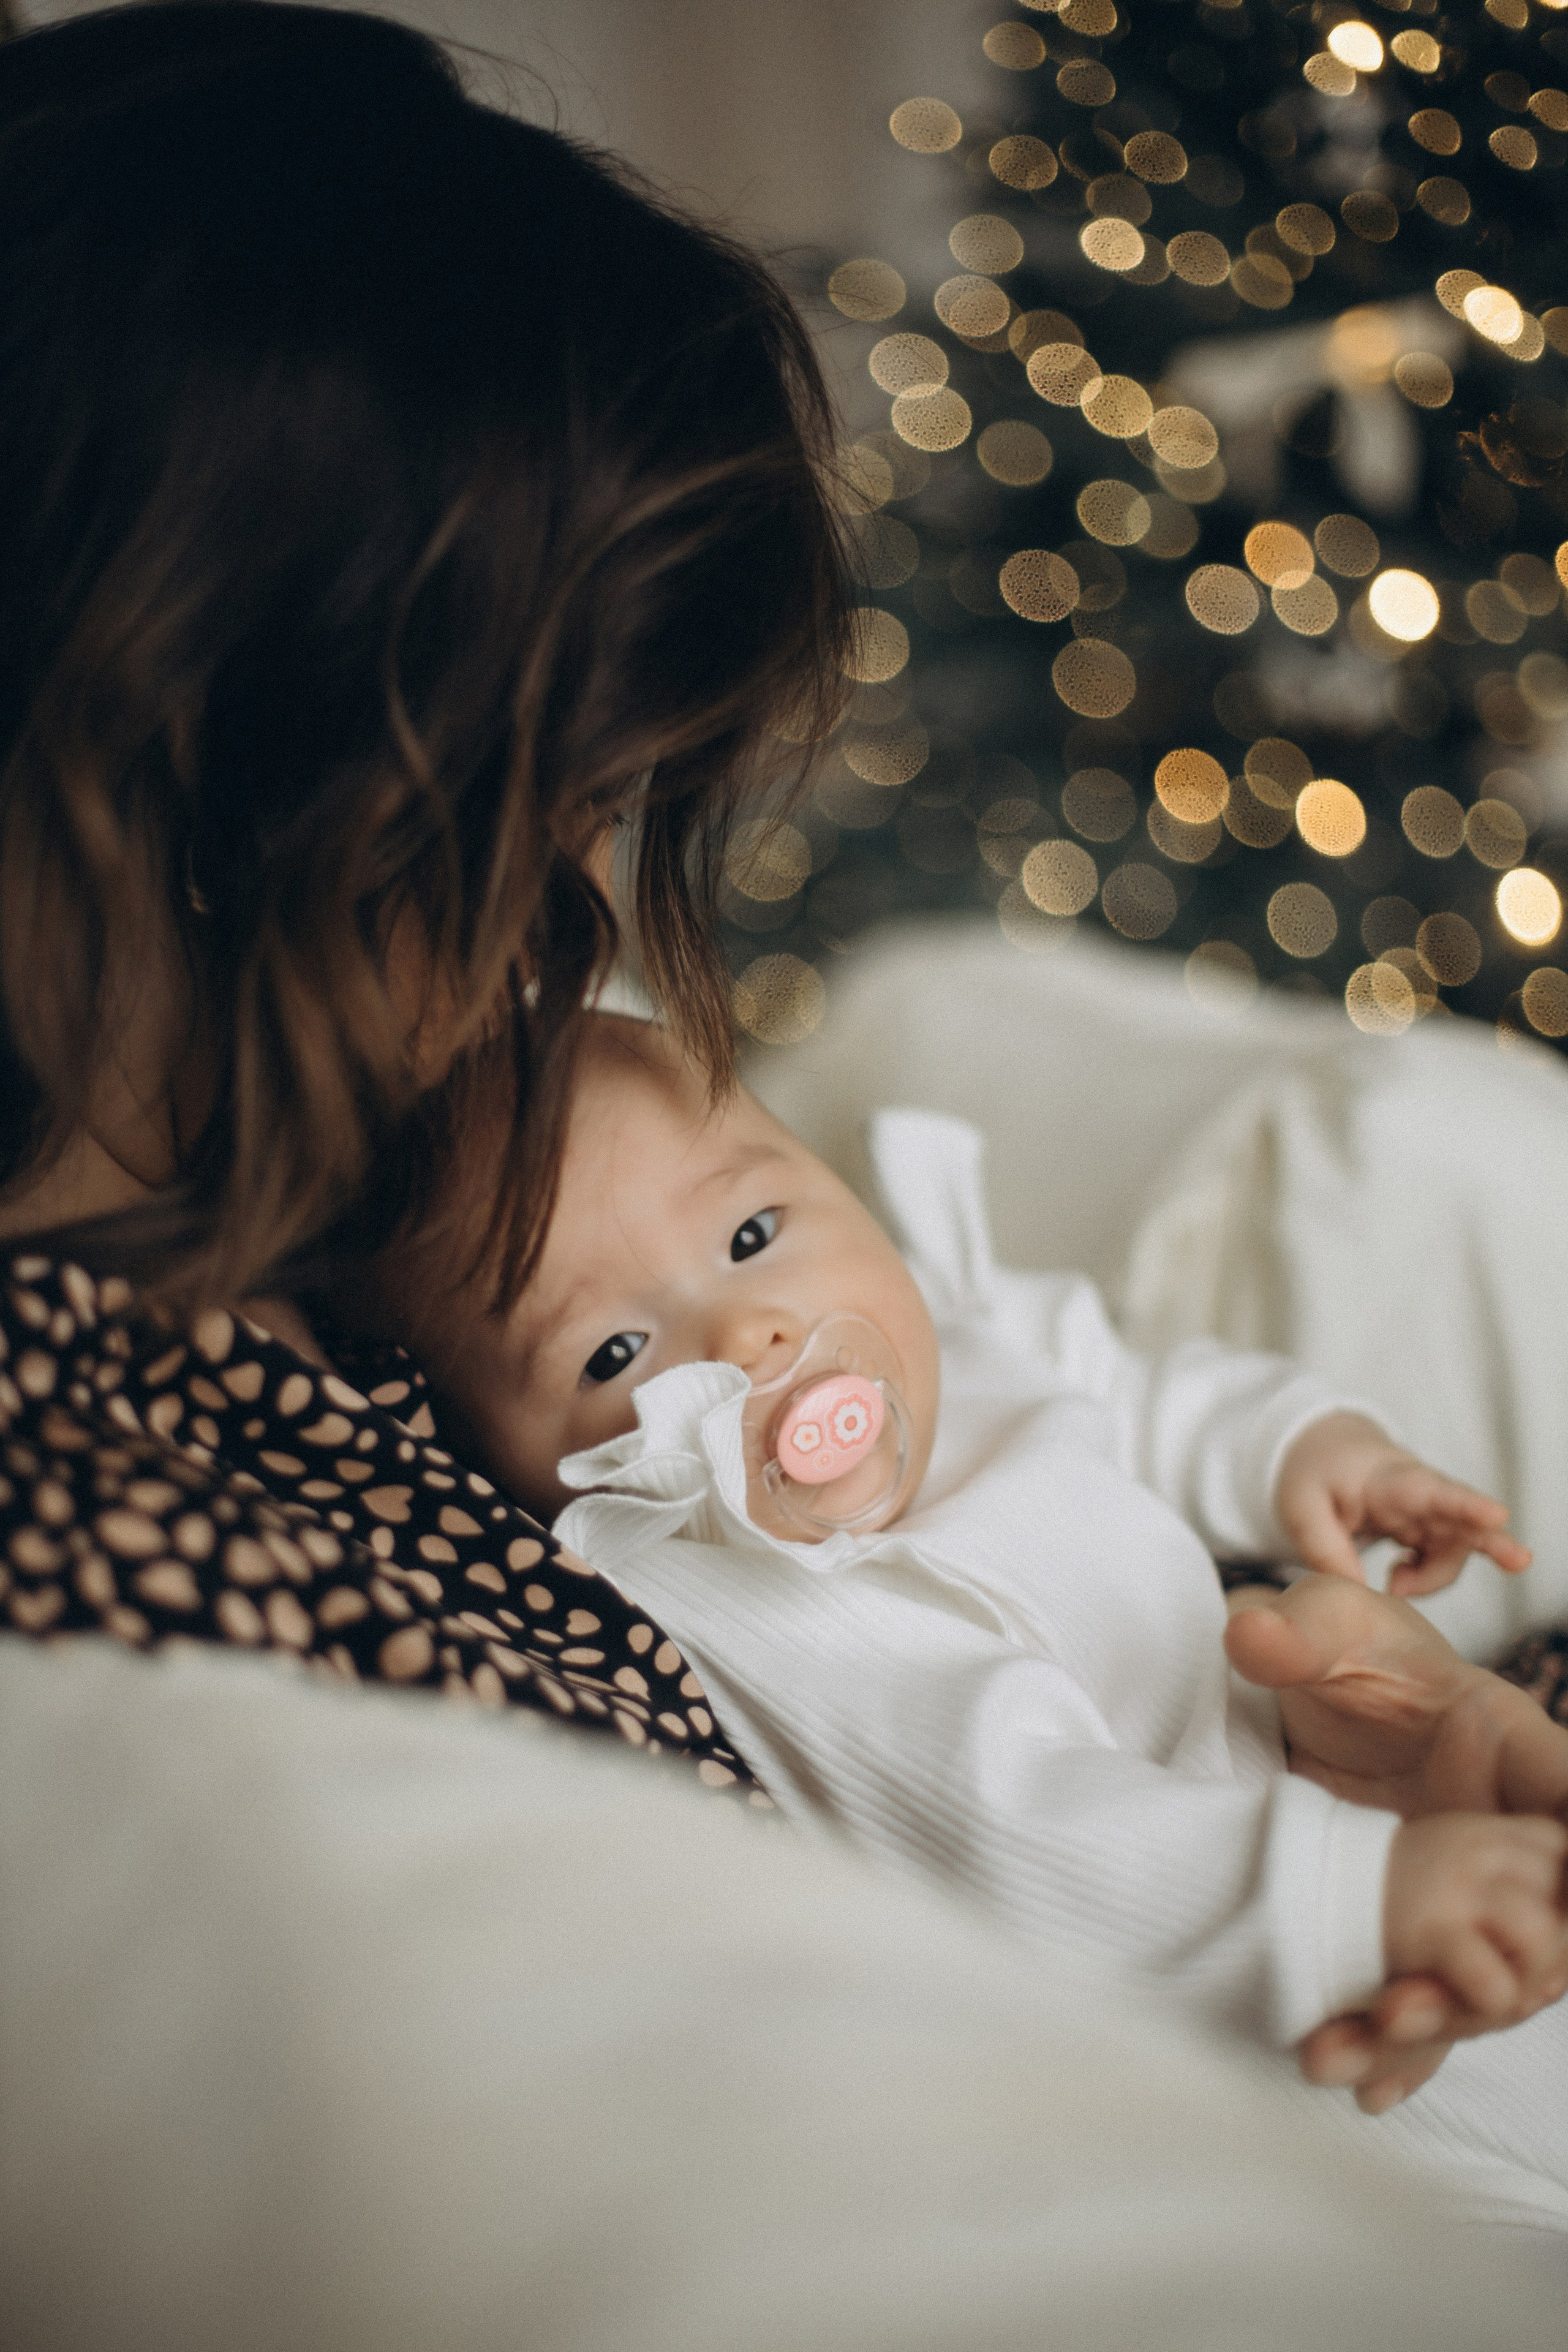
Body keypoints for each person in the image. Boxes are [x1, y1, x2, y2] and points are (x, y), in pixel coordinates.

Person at [0, 0, 852, 1796]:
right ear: (249, 789)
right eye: (575, 807)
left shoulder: (332, 1193)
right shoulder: (110, 1561)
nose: (573, 916)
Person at [379, 1010, 1568, 2236]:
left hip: (1340, 1806)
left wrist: (1304, 1449)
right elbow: (1017, 1826)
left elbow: (1133, 1384)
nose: (746, 1336)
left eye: (752, 1234)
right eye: (614, 1352)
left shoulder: (955, 1335)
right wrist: (1349, 1900)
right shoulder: (734, 1605)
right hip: (1271, 2027)